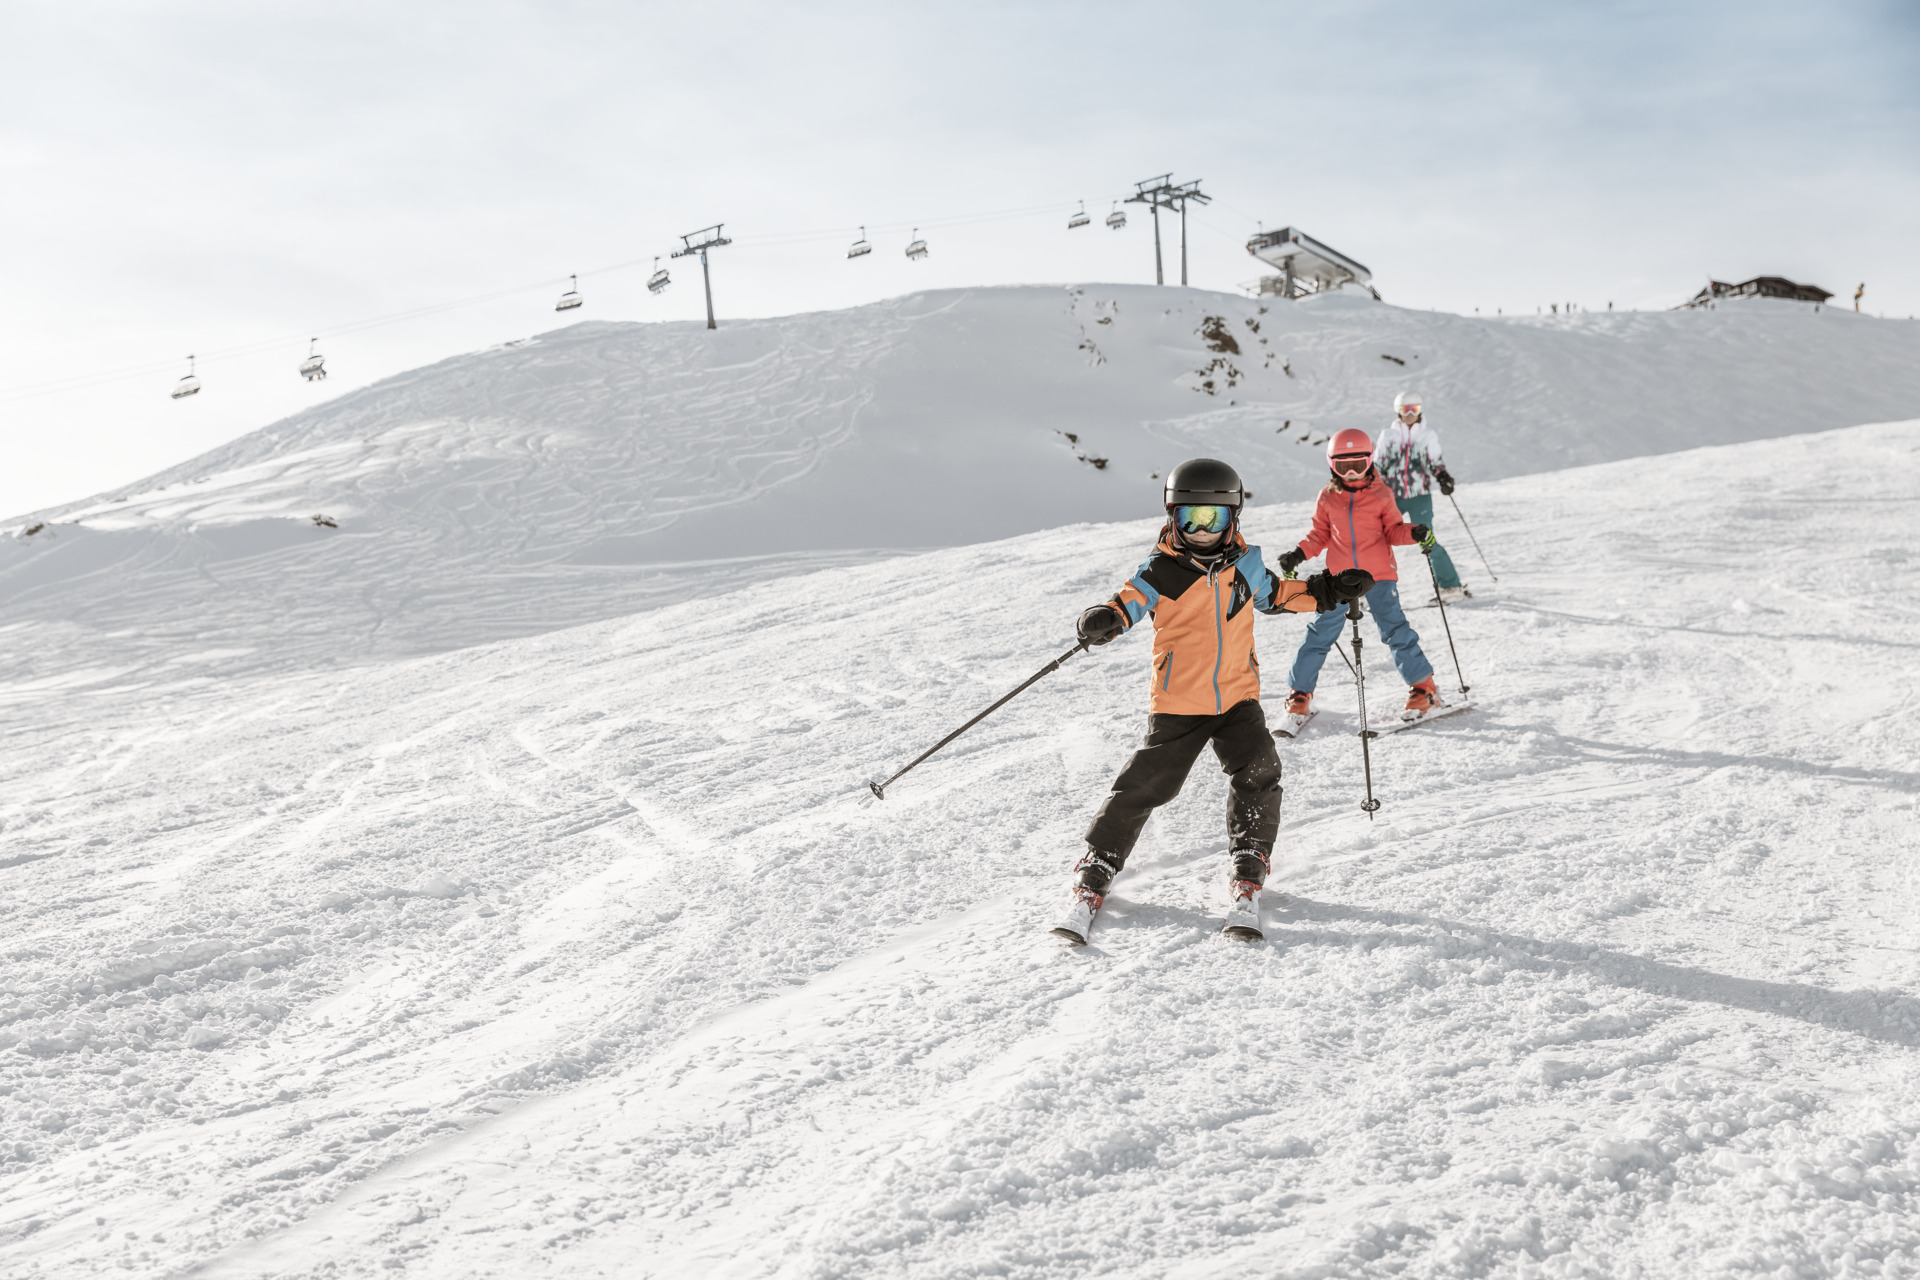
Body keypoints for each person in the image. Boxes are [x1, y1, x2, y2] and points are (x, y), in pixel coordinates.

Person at [1053, 458, 1373, 946]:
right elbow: (1126, 605)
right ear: (1172, 517)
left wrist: (1328, 589)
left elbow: (1278, 596)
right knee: (1146, 784)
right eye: (1190, 519)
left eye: (1214, 519)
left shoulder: (1246, 563)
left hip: (1237, 698)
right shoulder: (1159, 571)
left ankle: (1249, 864)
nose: (1202, 531)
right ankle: (1097, 865)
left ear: (1234, 517)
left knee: (1259, 770)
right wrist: (1102, 620)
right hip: (1179, 701)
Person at [1276, 429, 1443, 734]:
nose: (1351, 472)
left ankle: (1425, 688)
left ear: (1370, 462)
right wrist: (1299, 554)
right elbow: (1320, 534)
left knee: (1394, 628)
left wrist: (1413, 531)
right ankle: (1299, 694)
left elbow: (1393, 530)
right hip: (1339, 579)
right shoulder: (1327, 496)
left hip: (1378, 573)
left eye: (1358, 464)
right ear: (1331, 465)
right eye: (1343, 466)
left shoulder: (1382, 494)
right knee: (1320, 632)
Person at [1373, 391, 1467, 601]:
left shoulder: (1427, 435)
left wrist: (1442, 477)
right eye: (1406, 410)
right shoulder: (1388, 436)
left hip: (1419, 496)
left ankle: (1450, 586)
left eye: (1414, 409)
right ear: (1398, 411)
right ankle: (1367, 588)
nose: (1410, 414)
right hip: (1391, 497)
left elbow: (1435, 462)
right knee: (1375, 539)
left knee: (1427, 539)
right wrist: (1371, 485)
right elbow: (1377, 465)